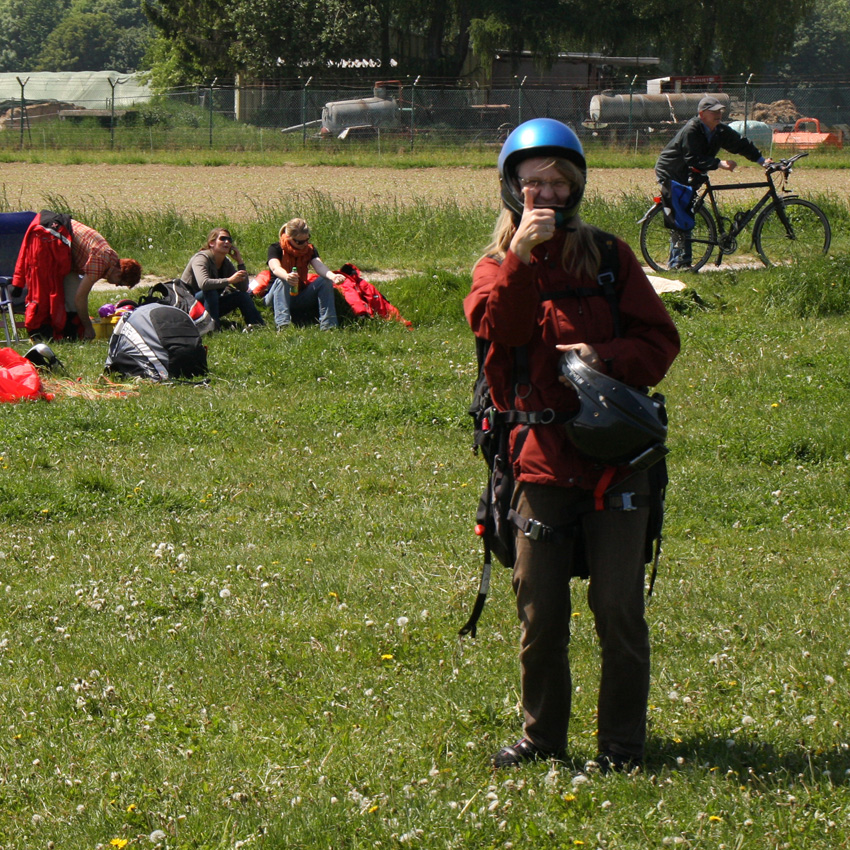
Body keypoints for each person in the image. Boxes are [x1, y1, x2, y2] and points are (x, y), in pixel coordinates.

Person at [464, 118, 680, 771]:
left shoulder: (611, 259)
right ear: (513, 191)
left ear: (577, 188)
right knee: (540, 614)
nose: (549, 195)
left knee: (618, 610)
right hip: (539, 460)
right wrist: (520, 261)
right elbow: (495, 327)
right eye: (535, 185)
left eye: (560, 184)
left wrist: (603, 356)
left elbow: (659, 343)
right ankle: (542, 739)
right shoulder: (493, 267)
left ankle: (620, 747)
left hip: (616, 462)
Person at [654, 95, 772, 269]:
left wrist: (762, 161)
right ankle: (678, 263)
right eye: (714, 112)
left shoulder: (719, 130)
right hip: (672, 171)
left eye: (720, 111)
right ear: (702, 114)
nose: (719, 114)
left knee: (688, 211)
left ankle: (682, 261)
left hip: (691, 170)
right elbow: (691, 157)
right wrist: (719, 164)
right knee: (681, 214)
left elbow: (740, 144)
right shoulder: (692, 129)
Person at [13, 211, 142, 340]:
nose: (115, 284)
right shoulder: (102, 260)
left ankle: (68, 332)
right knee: (44, 292)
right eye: (119, 283)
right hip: (49, 236)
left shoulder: (110, 258)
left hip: (64, 249)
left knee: (70, 293)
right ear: (119, 273)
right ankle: (39, 333)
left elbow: (75, 293)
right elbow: (80, 297)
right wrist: (88, 327)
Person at [264, 218, 344, 330]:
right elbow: (275, 268)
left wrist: (333, 276)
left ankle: (329, 326)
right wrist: (287, 276)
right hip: (275, 297)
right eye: (299, 242)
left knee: (325, 281)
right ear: (288, 238)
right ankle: (283, 326)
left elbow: (319, 266)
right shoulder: (275, 248)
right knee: (282, 280)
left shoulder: (309, 249)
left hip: (298, 295)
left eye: (307, 239)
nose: (304, 244)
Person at [180, 228, 265, 331]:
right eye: (222, 239)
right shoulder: (201, 258)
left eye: (229, 240)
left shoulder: (225, 262)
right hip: (189, 305)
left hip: (209, 304)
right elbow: (204, 283)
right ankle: (213, 328)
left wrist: (240, 262)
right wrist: (229, 280)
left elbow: (243, 288)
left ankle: (257, 326)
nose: (227, 242)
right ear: (211, 243)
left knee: (242, 296)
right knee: (211, 291)